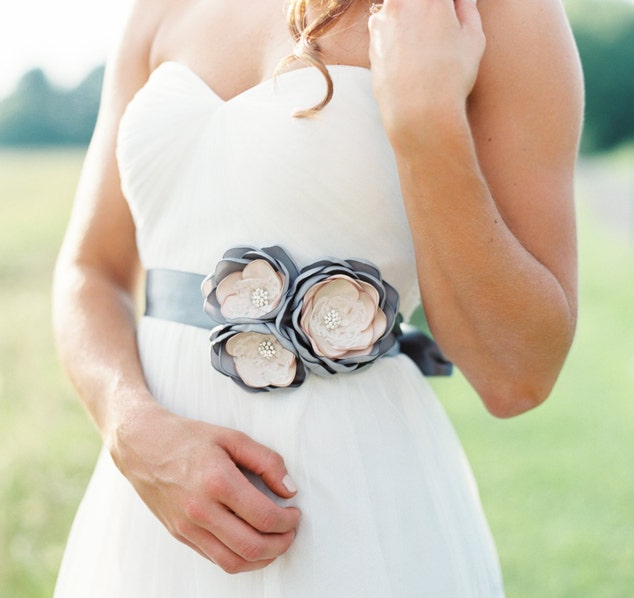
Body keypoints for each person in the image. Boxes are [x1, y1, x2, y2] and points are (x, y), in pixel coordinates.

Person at [52, 0, 583, 595]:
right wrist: (132, 430)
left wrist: (426, 126)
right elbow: (88, 270)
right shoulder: (154, 11)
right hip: (150, 517)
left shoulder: (494, 11)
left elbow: (518, 375)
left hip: (357, 515)